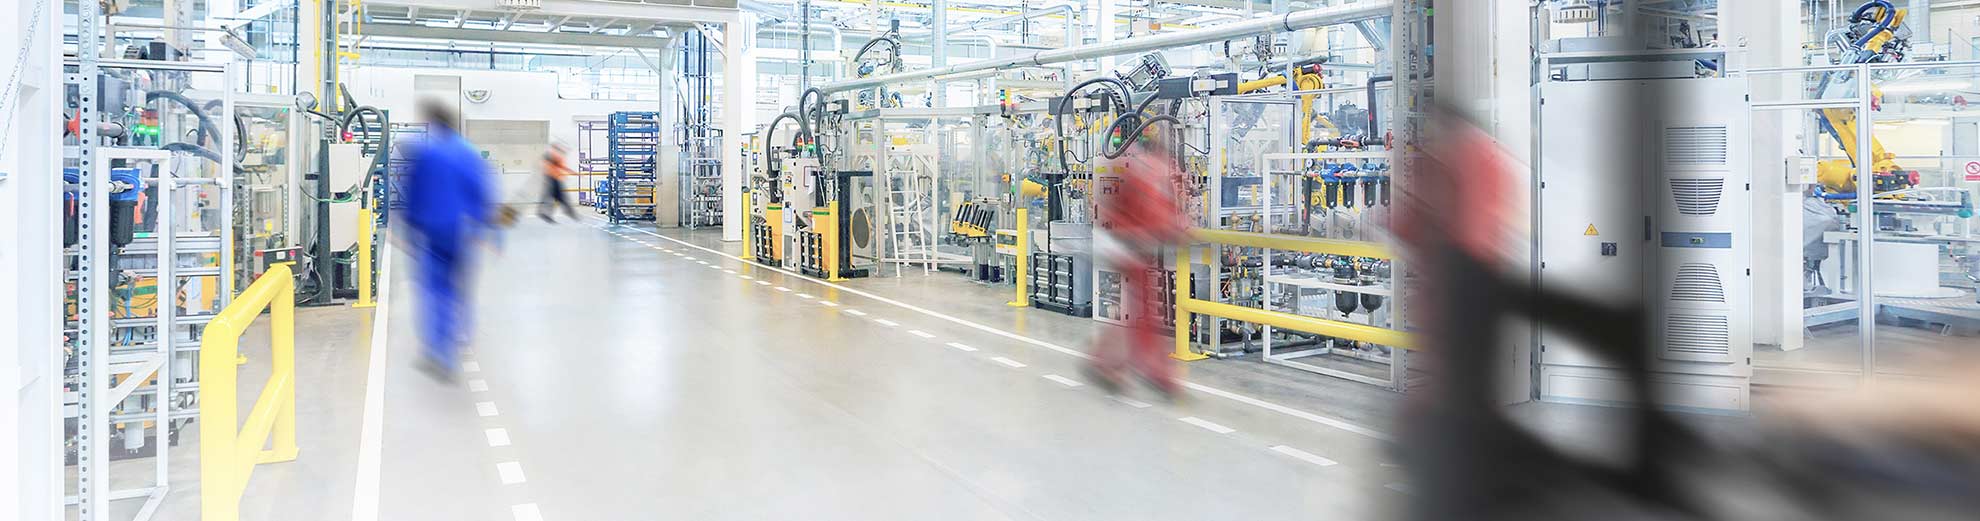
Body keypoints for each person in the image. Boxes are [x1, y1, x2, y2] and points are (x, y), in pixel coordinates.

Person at [1085, 131, 1190, 400]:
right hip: (1127, 244)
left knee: (1136, 309)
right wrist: (1174, 231)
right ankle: (1155, 372)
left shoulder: (1134, 165)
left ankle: (1104, 361)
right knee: (1142, 310)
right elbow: (1155, 209)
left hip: (1119, 241)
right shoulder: (1150, 170)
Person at [397, 99, 495, 379]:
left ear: (433, 122)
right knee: (461, 287)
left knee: (434, 290)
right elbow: (482, 192)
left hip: (432, 232)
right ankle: (462, 333)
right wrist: (488, 231)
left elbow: (413, 194)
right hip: (463, 232)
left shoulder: (427, 153)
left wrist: (409, 230)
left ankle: (440, 352)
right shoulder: (469, 153)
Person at [537, 143, 579, 222]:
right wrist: (574, 173)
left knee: (552, 196)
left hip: (552, 178)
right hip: (553, 179)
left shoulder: (556, 156)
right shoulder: (555, 155)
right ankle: (569, 212)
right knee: (559, 196)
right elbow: (562, 167)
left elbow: (559, 166)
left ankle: (545, 213)